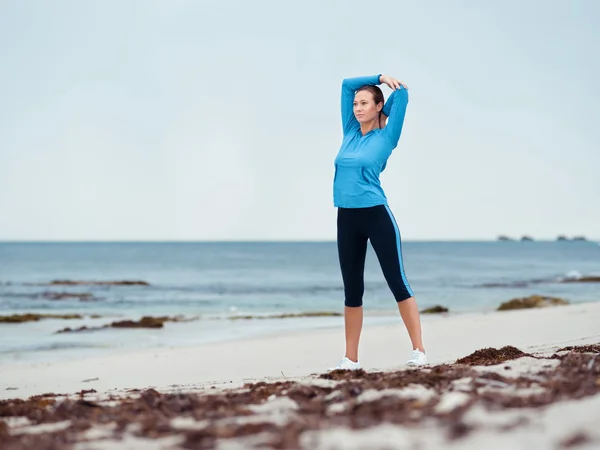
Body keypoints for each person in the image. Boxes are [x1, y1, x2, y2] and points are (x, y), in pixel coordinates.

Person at [329, 73, 427, 370]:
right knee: (352, 289)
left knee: (397, 281)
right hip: (346, 216)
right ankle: (351, 359)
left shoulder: (387, 135)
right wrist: (379, 76)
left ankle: (419, 351)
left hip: (375, 213)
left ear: (377, 106)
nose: (357, 108)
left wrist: (389, 92)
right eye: (356, 104)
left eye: (364, 103)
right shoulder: (350, 131)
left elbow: (404, 95)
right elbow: (346, 83)